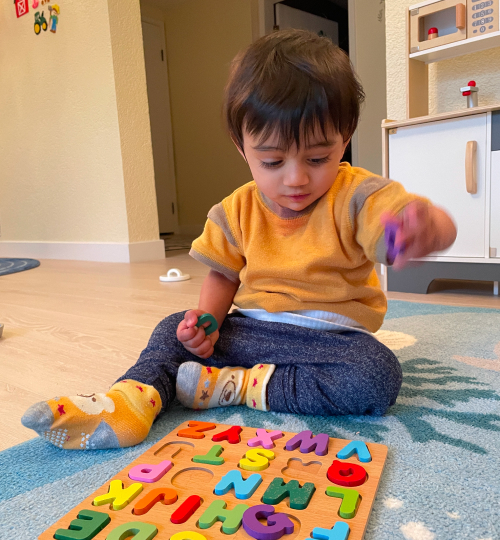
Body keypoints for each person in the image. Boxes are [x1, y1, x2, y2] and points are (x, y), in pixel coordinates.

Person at [21, 29, 457, 450]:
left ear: (346, 135)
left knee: (376, 376)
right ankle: (131, 400)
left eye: (319, 157)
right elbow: (222, 276)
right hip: (250, 332)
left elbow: (392, 227)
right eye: (271, 160)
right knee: (171, 329)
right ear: (241, 146)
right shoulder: (234, 210)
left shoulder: (360, 194)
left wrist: (424, 228)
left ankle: (236, 386)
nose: (296, 178)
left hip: (330, 344)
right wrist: (204, 328)